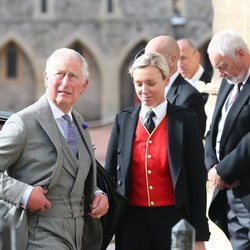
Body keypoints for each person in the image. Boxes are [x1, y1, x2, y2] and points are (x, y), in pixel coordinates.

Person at [0, 48, 109, 250]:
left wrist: (98, 193)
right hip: (37, 236)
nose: (65, 83)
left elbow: (79, 177)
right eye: (59, 74)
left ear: (83, 86)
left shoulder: (80, 123)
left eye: (73, 76)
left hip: (80, 237)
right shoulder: (23, 122)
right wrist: (23, 193)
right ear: (46, 78)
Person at [105, 52, 210, 250]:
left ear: (166, 80)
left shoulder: (185, 121)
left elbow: (196, 180)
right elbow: (110, 175)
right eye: (138, 83)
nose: (144, 90)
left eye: (151, 83)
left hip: (176, 220)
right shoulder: (123, 120)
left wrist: (199, 235)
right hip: (131, 222)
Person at [205, 29, 250, 249]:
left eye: (223, 66)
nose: (220, 74)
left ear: (241, 54)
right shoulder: (228, 82)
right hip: (229, 194)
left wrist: (225, 170)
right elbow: (215, 129)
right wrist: (213, 165)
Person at [145, 35, 207, 136]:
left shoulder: (189, 97)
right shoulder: (146, 92)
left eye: (154, 58)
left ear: (172, 60)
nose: (147, 64)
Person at [177, 38, 213, 103]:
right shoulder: (176, 86)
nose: (179, 64)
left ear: (197, 56)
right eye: (177, 59)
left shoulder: (212, 83)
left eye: (183, 58)